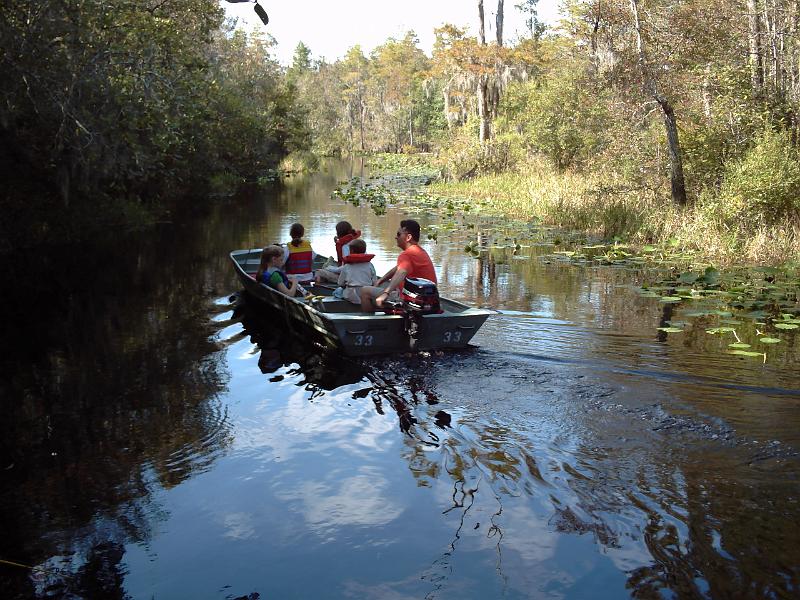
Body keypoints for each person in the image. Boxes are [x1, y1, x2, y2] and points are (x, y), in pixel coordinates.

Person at [360, 219, 436, 312]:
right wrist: (380, 280)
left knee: (364, 291)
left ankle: (369, 324)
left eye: (399, 234)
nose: (396, 237)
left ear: (408, 237)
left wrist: (385, 294)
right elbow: (398, 268)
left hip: (410, 299)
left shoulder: (406, 255)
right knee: (386, 285)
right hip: (426, 299)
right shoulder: (419, 251)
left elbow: (402, 272)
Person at [336, 238, 377, 304]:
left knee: (337, 291)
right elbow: (374, 282)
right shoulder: (370, 265)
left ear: (351, 251)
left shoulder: (347, 266)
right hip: (366, 294)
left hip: (351, 295)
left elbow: (340, 283)